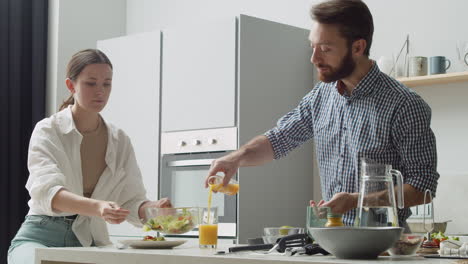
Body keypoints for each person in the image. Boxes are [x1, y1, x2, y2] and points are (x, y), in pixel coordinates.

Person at [205, 0, 439, 228]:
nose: (314, 58)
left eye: (325, 49)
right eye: (313, 47)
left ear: (358, 47)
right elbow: (279, 139)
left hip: (385, 244)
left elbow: (422, 188)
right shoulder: (320, 97)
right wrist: (236, 158)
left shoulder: (404, 105)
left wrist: (356, 201)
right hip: (332, 239)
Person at [8, 49, 172, 264]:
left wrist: (152, 210)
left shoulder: (120, 140)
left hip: (91, 241)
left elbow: (131, 200)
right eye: (91, 83)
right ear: (71, 85)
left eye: (107, 84)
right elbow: (48, 193)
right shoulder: (48, 130)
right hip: (41, 237)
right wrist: (98, 207)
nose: (100, 92)